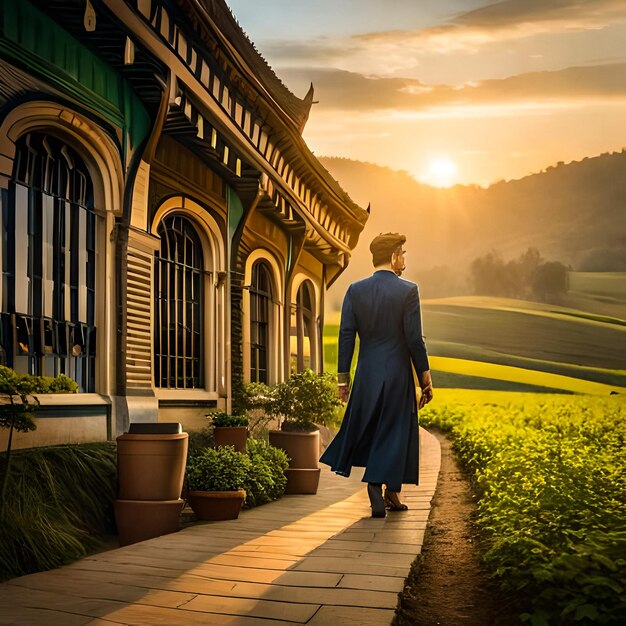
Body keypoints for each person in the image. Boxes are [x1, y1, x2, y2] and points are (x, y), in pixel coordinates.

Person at [320, 232, 433, 517]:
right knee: (396, 431)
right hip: (397, 374)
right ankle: (375, 483)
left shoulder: (354, 290)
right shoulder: (408, 290)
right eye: (403, 253)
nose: (404, 259)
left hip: (367, 374)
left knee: (373, 428)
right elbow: (415, 340)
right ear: (394, 255)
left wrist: (343, 381)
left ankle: (392, 493)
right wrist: (425, 380)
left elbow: (346, 336)